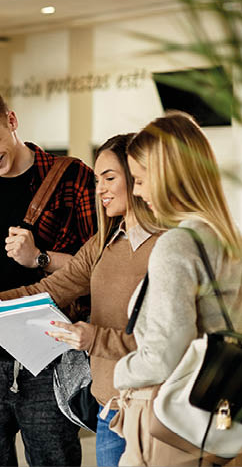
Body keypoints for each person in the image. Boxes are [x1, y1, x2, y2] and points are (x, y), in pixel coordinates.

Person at [0, 133, 159, 466]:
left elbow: (168, 340)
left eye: (110, 178)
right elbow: (50, 289)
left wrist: (92, 337)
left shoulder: (170, 245)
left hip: (154, 405)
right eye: (98, 180)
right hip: (110, 405)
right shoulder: (104, 242)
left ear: (140, 176)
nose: (100, 190)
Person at [0, 79, 96, 466]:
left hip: (50, 360)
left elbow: (99, 267)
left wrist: (40, 258)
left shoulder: (73, 178)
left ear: (11, 119)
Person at [112, 112, 242, 466]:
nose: (136, 192)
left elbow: (164, 354)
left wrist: (120, 373)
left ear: (169, 176)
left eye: (139, 180)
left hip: (174, 421)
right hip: (223, 416)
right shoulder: (229, 238)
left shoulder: (178, 244)